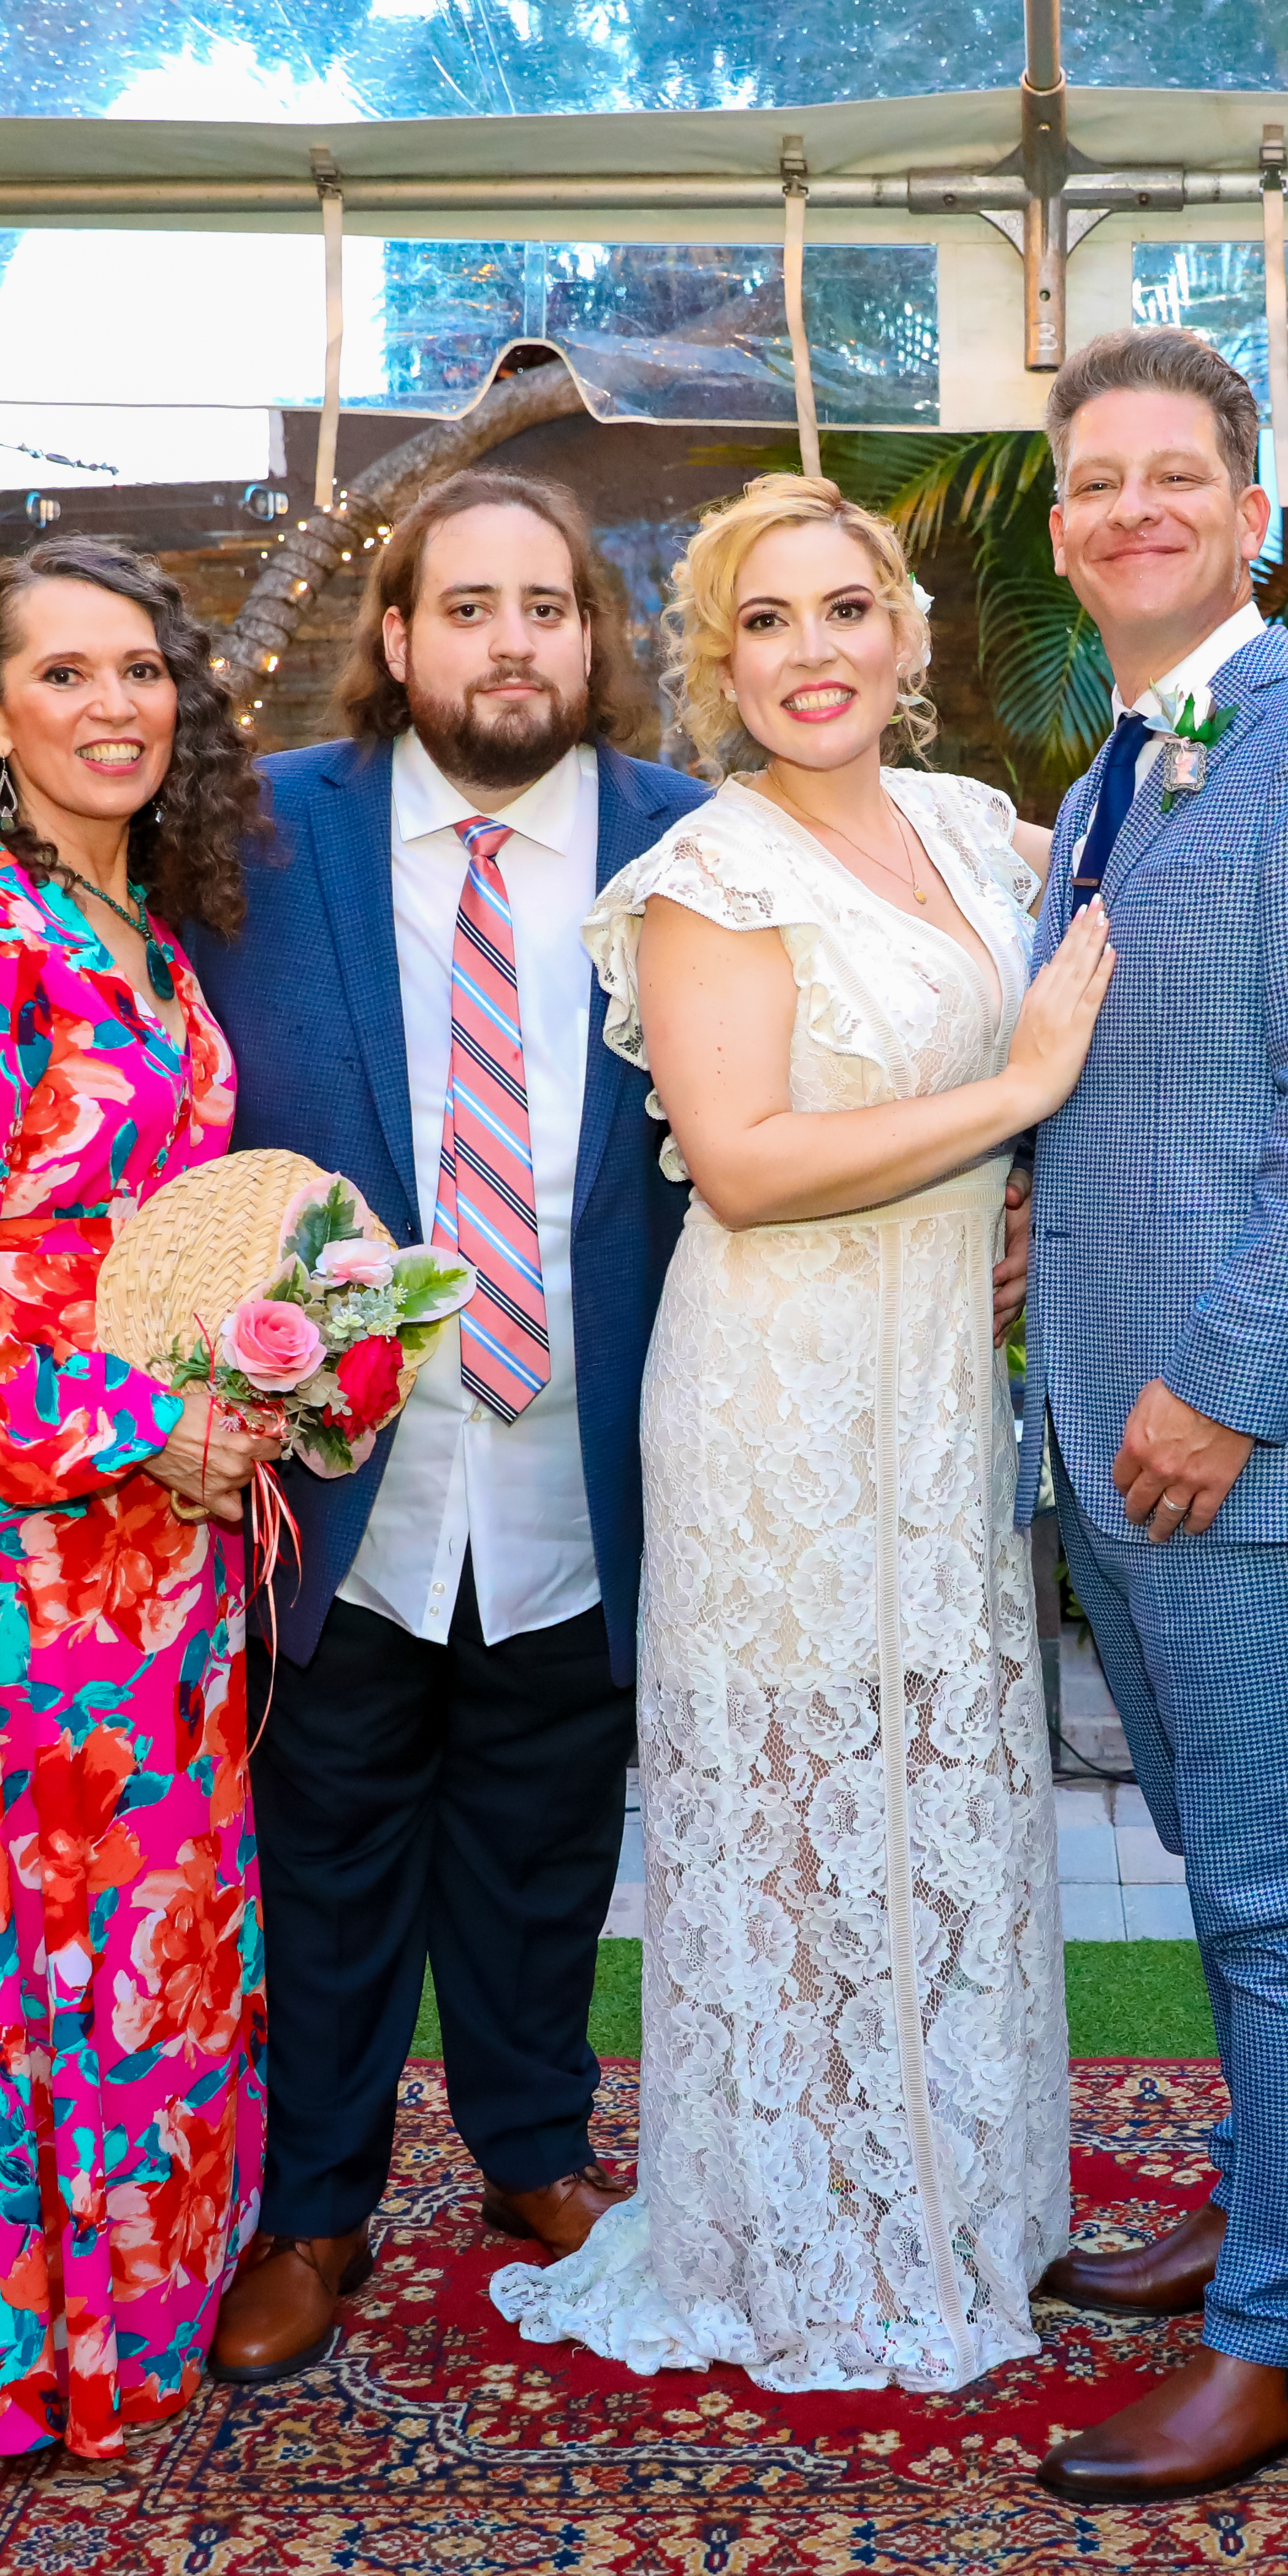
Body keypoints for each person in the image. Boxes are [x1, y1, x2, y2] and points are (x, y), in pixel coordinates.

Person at [490, 475, 1106, 2393]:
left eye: (847, 612)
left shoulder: (969, 830)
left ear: (910, 641)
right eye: (767, 623)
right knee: (790, 1818)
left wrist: (1025, 1199)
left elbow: (1146, 866)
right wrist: (1021, 1095)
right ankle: (805, 2232)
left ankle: (956, 2196)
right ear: (718, 664)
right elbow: (744, 1168)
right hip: (774, 1396)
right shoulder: (704, 880)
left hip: (931, 1384)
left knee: (937, 1797)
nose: (812, 654)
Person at [177, 470, 713, 2387]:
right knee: (324, 1842)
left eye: (549, 607)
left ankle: (532, 2149)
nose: (512, 643)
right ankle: (313, 2207)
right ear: (395, 643)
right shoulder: (249, 839)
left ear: (595, 640)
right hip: (337, 1467)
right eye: (468, 608)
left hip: (589, 1449)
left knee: (546, 1828)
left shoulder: (695, 844)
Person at [1012, 329, 1288, 2501]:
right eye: (1093, 482)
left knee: (1281, 1889)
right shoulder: (1114, 770)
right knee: (1216, 1861)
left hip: (1245, 1437)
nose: (1132, 510)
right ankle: (1262, 2209)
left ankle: (1286, 2342)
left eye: (1172, 474)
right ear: (1059, 523)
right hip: (1111, 1423)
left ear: (1254, 504)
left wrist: (1223, 1381)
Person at [0, 535, 281, 2462]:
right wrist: (136, 1417)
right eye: (66, 674)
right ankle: (51, 2347)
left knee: (163, 1914)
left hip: (169, 1552)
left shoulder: (147, 940)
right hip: (38, 1557)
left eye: (142, 670)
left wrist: (265, 1374)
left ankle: (152, 2307)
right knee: (67, 1922)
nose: (115, 706)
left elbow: (168, 1238)